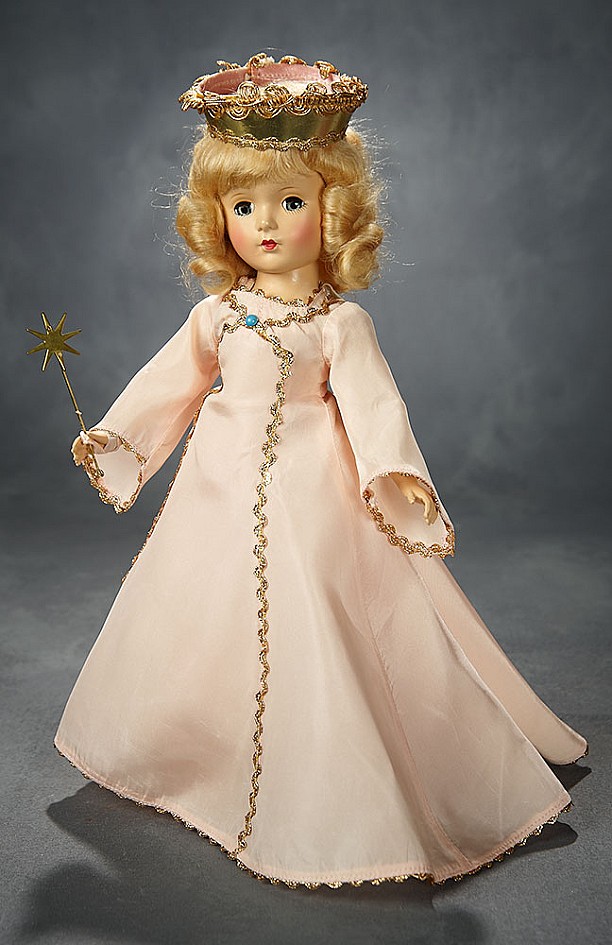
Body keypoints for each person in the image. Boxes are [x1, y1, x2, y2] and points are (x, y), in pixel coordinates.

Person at [58, 54, 588, 889]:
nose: (266, 225)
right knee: (197, 614)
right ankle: (196, 754)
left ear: (332, 210)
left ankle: (325, 785)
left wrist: (393, 472)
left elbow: (376, 408)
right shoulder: (217, 315)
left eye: (291, 202)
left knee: (317, 617)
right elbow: (169, 387)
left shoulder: (341, 324)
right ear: (218, 218)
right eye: (244, 207)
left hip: (315, 493)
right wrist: (120, 436)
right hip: (215, 494)